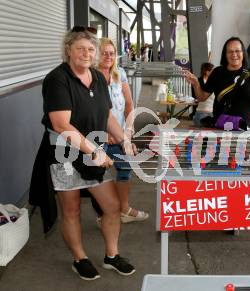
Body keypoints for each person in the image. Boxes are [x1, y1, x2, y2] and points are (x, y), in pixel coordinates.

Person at [32, 27, 136, 280]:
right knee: (72, 210)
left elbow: (107, 115)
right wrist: (94, 152)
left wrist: (124, 140)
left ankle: (111, 255)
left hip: (94, 148)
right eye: (80, 48)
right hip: (65, 154)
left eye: (91, 49)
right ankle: (80, 258)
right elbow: (61, 124)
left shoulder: (99, 78)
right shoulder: (58, 79)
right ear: (68, 50)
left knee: (111, 207)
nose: (86, 54)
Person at [97, 38, 148, 223]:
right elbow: (91, 111)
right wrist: (106, 134)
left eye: (111, 53)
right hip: (97, 137)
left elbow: (128, 104)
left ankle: (124, 210)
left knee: (125, 169)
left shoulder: (120, 74)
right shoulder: (90, 76)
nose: (108, 56)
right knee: (95, 177)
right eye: (104, 52)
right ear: (96, 54)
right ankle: (106, 213)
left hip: (120, 136)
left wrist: (128, 129)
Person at [185, 36, 250, 130]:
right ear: (225, 54)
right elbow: (202, 97)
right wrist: (196, 83)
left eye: (237, 51)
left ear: (243, 53)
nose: (234, 54)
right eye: (230, 51)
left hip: (244, 129)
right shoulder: (217, 72)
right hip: (221, 127)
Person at [192, 62, 215, 126]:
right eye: (213, 71)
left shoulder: (215, 81)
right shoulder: (198, 81)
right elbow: (196, 96)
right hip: (202, 113)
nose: (215, 72)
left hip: (213, 113)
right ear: (207, 72)